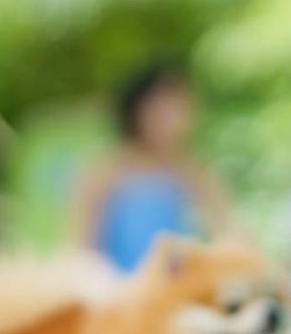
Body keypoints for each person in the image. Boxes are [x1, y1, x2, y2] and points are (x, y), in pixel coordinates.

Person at [71, 64, 234, 272]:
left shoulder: (192, 172)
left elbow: (227, 232)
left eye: (178, 108)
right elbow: (82, 247)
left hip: (179, 287)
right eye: (159, 108)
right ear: (137, 110)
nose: (170, 119)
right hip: (117, 289)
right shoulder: (104, 171)